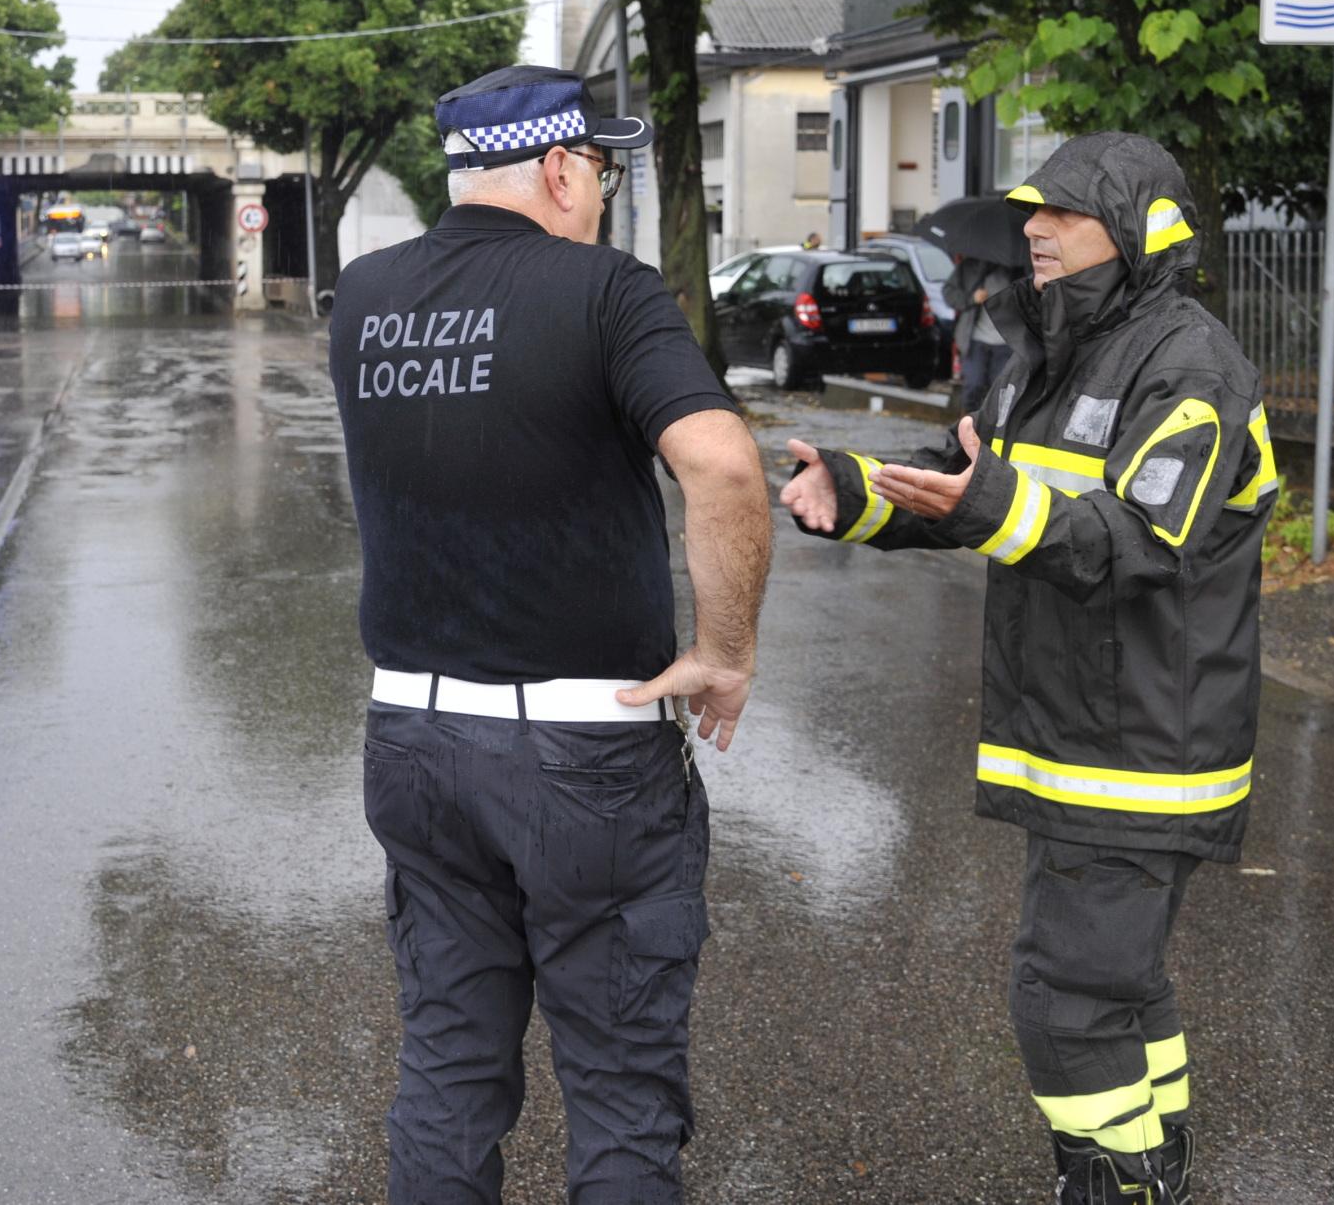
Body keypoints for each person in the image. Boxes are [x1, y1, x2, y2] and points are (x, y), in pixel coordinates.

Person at [778, 132, 1279, 1205]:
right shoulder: (1054, 353)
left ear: (1139, 235)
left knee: (1064, 997)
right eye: (1031, 212)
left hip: (1141, 752)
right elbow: (972, 491)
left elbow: (1140, 542)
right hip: (1082, 736)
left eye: (1060, 213)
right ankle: (1154, 1168)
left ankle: (1119, 1182)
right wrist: (858, 487)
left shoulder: (1188, 368)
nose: (1035, 230)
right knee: (1116, 987)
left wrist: (988, 501)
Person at [328, 64, 774, 1205]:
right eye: (602, 171)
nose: (605, 195)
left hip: (415, 736)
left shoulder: (366, 297)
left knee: (447, 1067)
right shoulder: (604, 291)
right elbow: (721, 462)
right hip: (588, 755)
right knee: (619, 1088)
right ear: (563, 169)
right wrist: (722, 653)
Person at [947, 254, 1020, 416]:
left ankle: (992, 433)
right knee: (973, 384)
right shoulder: (970, 266)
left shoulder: (1019, 269)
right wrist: (971, 298)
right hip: (975, 340)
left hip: (1005, 343)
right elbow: (949, 294)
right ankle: (967, 428)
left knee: (1000, 391)